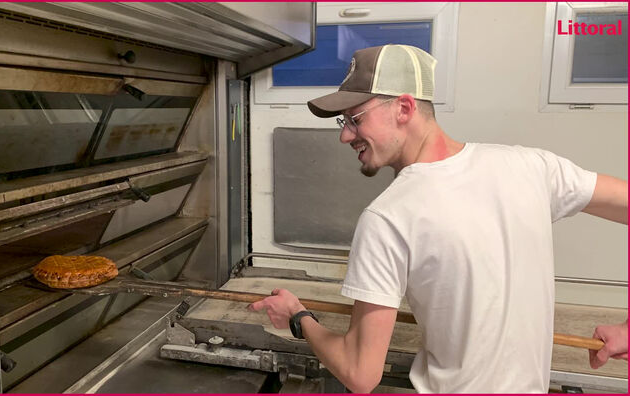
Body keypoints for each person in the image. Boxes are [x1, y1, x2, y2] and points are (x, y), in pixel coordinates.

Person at [248, 44, 628, 393]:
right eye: (342, 122)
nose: (345, 136)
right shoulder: (532, 166)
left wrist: (298, 317)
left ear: (404, 108)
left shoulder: (388, 217)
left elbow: (360, 373)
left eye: (354, 119)